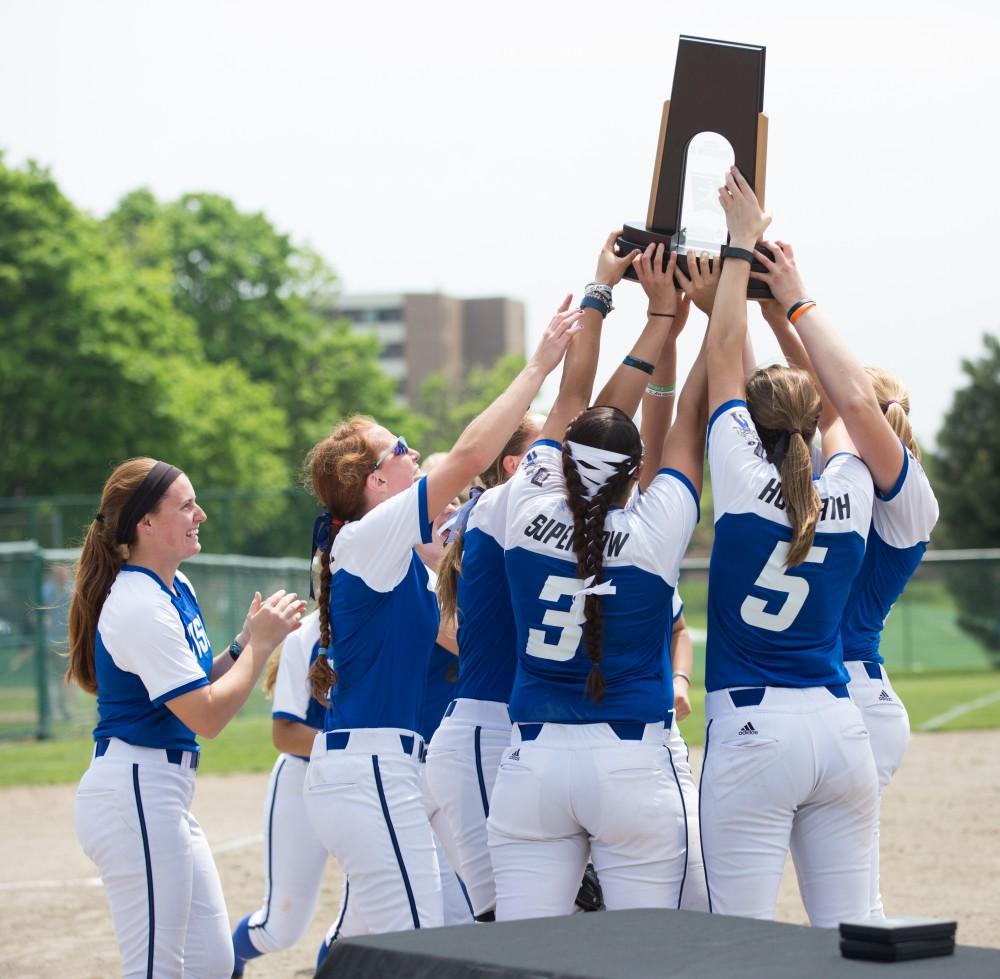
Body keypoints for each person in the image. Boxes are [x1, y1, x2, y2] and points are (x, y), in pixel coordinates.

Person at [301, 303, 583, 935]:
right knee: (417, 938)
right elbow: (473, 452)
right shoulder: (368, 537)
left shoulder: (390, 556)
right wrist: (540, 362)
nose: (414, 452)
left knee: (449, 923)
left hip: (393, 765)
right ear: (375, 482)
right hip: (370, 767)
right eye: (399, 450)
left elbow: (529, 463)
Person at [487, 236, 708, 920]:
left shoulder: (526, 506)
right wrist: (692, 315)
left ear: (564, 459)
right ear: (632, 473)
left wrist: (602, 288)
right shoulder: (652, 531)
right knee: (652, 957)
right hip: (631, 761)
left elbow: (572, 394)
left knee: (525, 959)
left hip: (534, 764)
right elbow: (688, 428)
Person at [697, 167, 878, 928]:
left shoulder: (741, 478)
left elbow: (721, 364)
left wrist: (737, 249)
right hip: (840, 729)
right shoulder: (851, 482)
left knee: (735, 941)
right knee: (855, 936)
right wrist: (789, 302)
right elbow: (846, 396)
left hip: (752, 728)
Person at [751, 240, 939, 919]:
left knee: (851, 902)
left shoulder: (904, 495)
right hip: (836, 694)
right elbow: (830, 407)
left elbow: (841, 407)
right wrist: (777, 319)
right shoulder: (849, 482)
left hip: (850, 689)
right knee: (846, 896)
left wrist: (795, 304)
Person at [68, 457, 304, 979]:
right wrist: (261, 649)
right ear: (144, 524)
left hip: (158, 792)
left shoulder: (175, 589)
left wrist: (243, 642)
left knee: (213, 962)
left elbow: (199, 683)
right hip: (135, 792)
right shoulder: (138, 603)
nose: (200, 514)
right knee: (157, 968)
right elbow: (208, 716)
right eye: (186, 505)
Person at [424, 414, 543, 921]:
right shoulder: (484, 527)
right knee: (492, 916)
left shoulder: (522, 531)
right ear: (516, 465)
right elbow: (457, 635)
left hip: (514, 736)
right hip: (472, 736)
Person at [231, 608, 340, 977]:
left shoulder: (393, 615)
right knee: (280, 929)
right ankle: (223, 962)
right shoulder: (305, 637)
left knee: (363, 926)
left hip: (367, 783)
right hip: (303, 781)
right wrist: (350, 744)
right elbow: (285, 735)